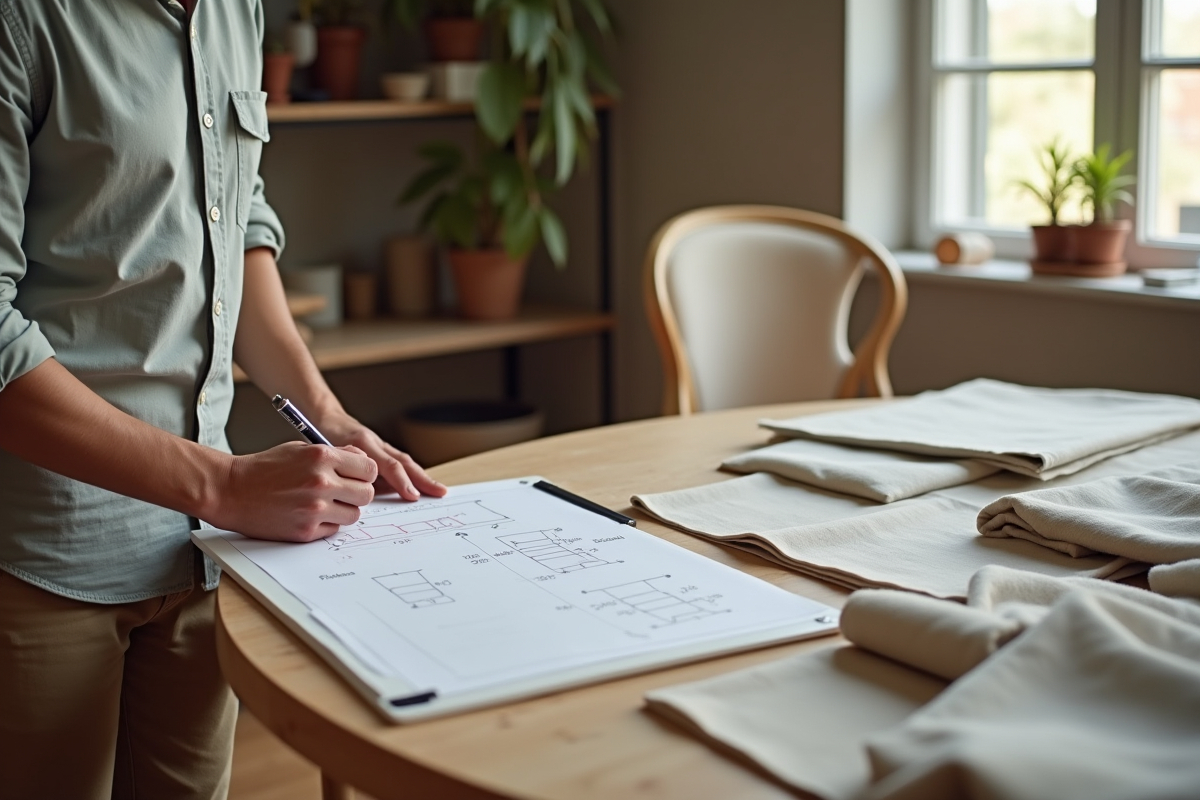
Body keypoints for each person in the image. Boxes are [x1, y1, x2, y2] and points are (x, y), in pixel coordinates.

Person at [0, 1, 446, 797]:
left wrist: (326, 413)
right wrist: (226, 484)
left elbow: (237, 215)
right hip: (46, 548)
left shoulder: (235, 10)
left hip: (203, 544)